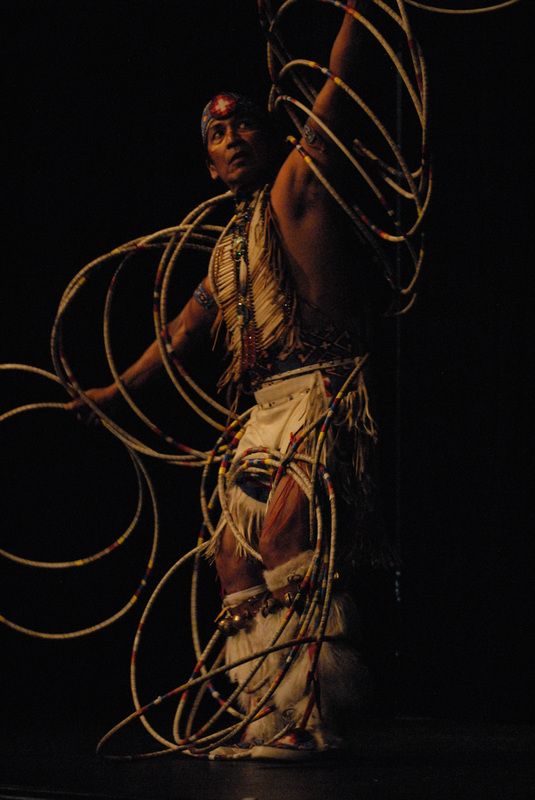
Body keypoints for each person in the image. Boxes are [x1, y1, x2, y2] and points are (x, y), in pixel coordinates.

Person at [70, 0, 391, 760]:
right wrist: (110, 396)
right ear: (210, 165)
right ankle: (264, 713)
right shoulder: (226, 249)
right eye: (218, 135)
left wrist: (357, 14)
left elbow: (337, 91)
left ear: (270, 135)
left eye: (245, 124)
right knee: (234, 558)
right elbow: (180, 336)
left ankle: (310, 716)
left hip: (321, 394)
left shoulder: (299, 188)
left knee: (286, 537)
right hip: (262, 410)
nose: (233, 137)